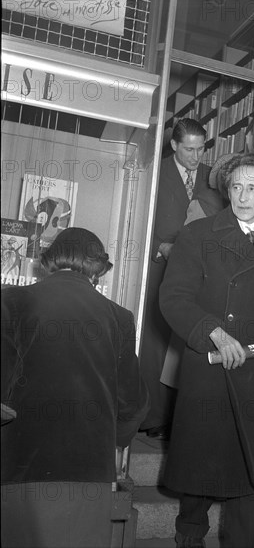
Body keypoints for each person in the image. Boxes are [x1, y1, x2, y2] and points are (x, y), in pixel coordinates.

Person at [159, 153, 254, 548]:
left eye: (253, 188)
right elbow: (174, 298)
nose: (243, 197)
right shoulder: (198, 235)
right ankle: (188, 537)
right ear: (228, 190)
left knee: (251, 471)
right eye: (237, 187)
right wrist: (215, 333)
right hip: (210, 367)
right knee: (200, 470)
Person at [1, 227, 149, 548]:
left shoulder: (11, 301)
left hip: (22, 464)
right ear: (96, 268)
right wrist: (115, 441)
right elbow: (133, 404)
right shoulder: (119, 317)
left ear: (50, 260)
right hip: (91, 469)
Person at [139, 118, 225, 439]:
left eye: (201, 148)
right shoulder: (153, 170)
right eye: (189, 149)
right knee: (155, 345)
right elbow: (135, 219)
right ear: (174, 145)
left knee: (185, 343)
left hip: (197, 275)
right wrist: (160, 245)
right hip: (159, 267)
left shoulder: (211, 176)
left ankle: (178, 419)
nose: (196, 156)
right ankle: (153, 417)